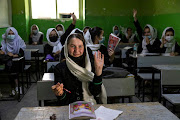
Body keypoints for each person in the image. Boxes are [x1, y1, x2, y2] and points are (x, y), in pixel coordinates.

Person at [52, 33, 107, 105]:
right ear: (66, 47)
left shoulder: (91, 65)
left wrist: (98, 73)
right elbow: (63, 99)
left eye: (80, 46)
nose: (77, 50)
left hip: (90, 106)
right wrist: (60, 93)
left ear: (84, 47)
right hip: (68, 108)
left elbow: (95, 92)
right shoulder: (60, 68)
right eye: (73, 46)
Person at [0, 27, 26, 95]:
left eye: (12, 33)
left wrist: (14, 55)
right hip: (8, 62)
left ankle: (15, 87)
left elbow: (22, 53)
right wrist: (4, 53)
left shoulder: (19, 41)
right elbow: (2, 51)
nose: (11, 35)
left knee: (13, 68)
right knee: (10, 67)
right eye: (9, 33)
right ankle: (15, 87)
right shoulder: (4, 42)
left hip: (19, 61)